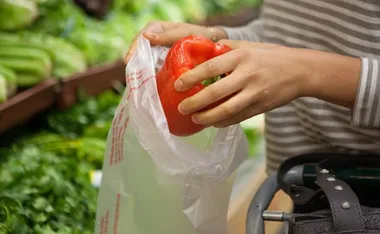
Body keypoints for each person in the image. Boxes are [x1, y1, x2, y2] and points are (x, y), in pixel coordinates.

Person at [125, 0, 380, 174]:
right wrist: (219, 40)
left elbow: (298, 59)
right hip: (303, 183)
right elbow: (290, 29)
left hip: (364, 185)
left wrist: (306, 72)